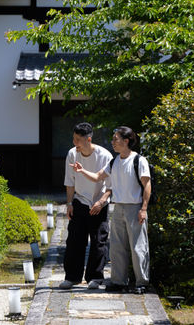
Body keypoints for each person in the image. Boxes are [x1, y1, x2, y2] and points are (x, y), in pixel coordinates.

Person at [71, 126, 151, 294]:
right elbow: (98, 177)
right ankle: (118, 281)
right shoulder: (114, 161)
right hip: (118, 206)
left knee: (138, 247)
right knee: (117, 246)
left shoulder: (139, 160)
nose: (113, 142)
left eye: (116, 139)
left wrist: (143, 208)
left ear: (126, 141)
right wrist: (81, 170)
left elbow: (147, 185)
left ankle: (141, 282)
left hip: (135, 207)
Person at [59, 122, 113, 290]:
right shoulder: (72, 154)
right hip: (80, 200)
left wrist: (101, 201)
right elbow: (70, 181)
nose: (75, 143)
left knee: (98, 241)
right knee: (74, 240)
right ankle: (72, 277)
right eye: (73, 139)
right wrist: (69, 203)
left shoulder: (105, 156)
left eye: (78, 140)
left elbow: (111, 186)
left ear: (88, 139)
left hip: (99, 202)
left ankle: (95, 277)